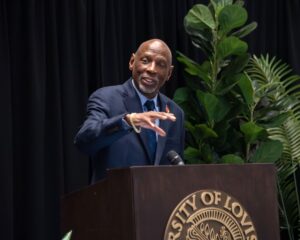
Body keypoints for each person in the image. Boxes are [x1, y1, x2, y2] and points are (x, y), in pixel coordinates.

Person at [74, 39, 185, 182]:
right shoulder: (107, 98)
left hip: (158, 202)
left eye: (160, 64)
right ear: (132, 62)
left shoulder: (175, 113)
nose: (151, 69)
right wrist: (128, 121)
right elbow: (83, 141)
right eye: (145, 61)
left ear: (169, 73)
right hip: (115, 200)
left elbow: (175, 168)